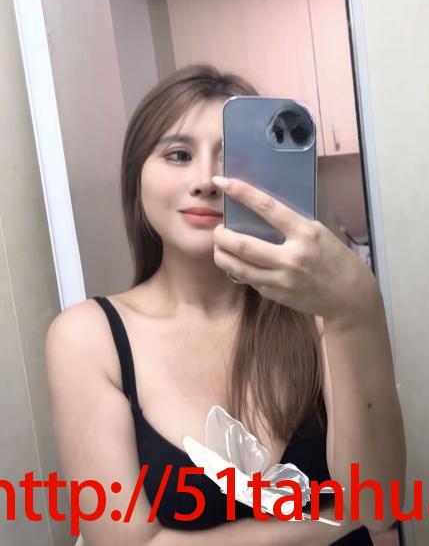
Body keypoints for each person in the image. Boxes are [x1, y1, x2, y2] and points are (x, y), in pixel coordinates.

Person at [46, 63, 406, 545]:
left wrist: (357, 310)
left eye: (231, 159)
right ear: (137, 179)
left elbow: (377, 505)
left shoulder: (319, 311)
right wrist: (335, 519)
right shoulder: (88, 339)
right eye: (178, 155)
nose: (206, 180)